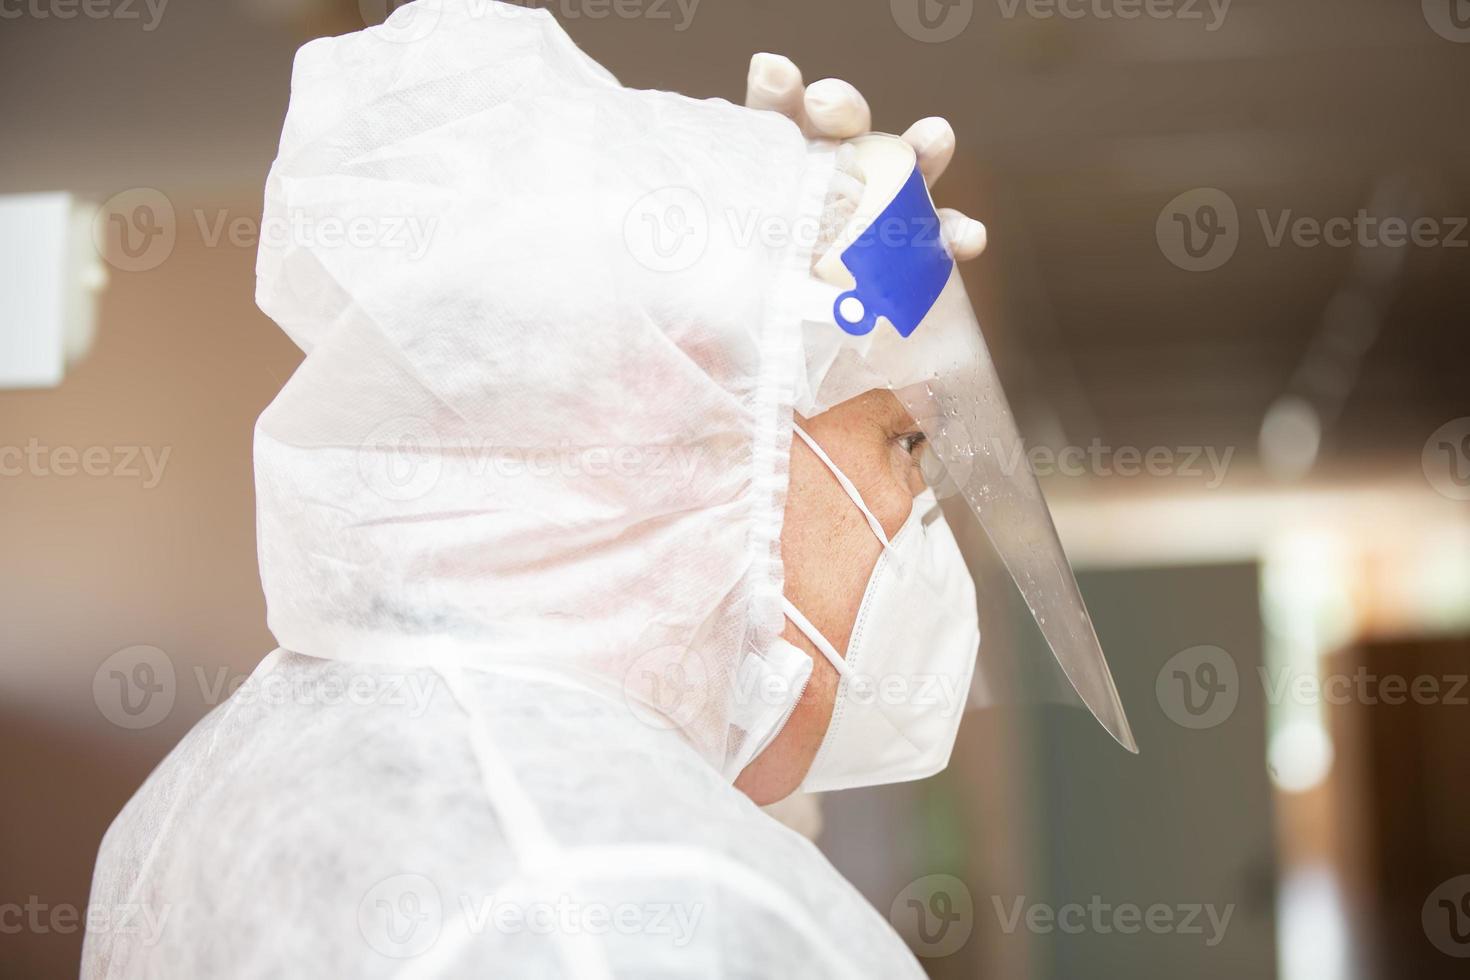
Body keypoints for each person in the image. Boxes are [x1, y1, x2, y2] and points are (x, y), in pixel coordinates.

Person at [83, 3, 1131, 976]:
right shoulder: (626, 904)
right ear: (676, 425)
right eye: (906, 444)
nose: (917, 509)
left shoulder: (236, 783)